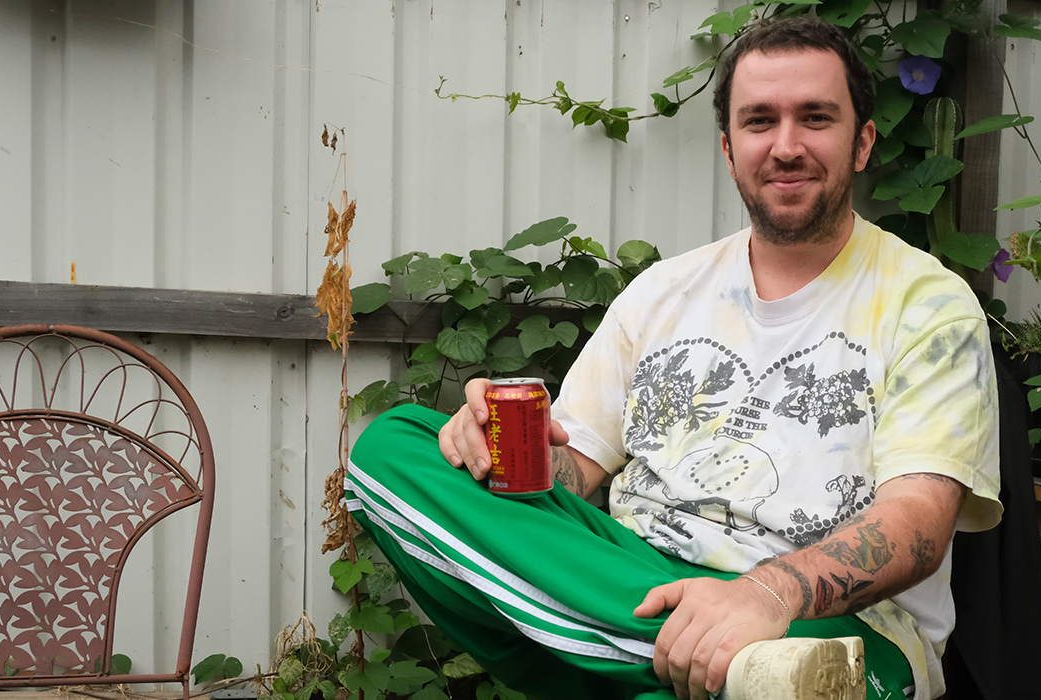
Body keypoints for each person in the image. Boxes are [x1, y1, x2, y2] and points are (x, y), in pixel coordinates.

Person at [346, 15, 1000, 700]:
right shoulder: (661, 292)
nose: (785, 146)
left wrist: (766, 596)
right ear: (728, 148)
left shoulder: (929, 304)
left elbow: (919, 524)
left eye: (814, 118)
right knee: (397, 446)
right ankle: (705, 665)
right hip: (633, 582)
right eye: (758, 121)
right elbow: (571, 475)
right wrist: (505, 452)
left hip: (831, 632)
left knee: (797, 671)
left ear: (862, 141)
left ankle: (646, 663)